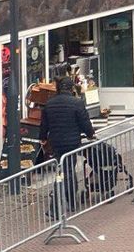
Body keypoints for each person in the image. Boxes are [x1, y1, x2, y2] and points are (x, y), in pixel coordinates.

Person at [40, 76, 96, 218]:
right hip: (72, 143)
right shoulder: (77, 103)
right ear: (71, 89)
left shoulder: (49, 104)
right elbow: (85, 122)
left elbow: (44, 125)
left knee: (65, 170)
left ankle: (70, 201)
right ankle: (58, 207)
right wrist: (90, 134)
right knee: (66, 171)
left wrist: (43, 138)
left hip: (56, 143)